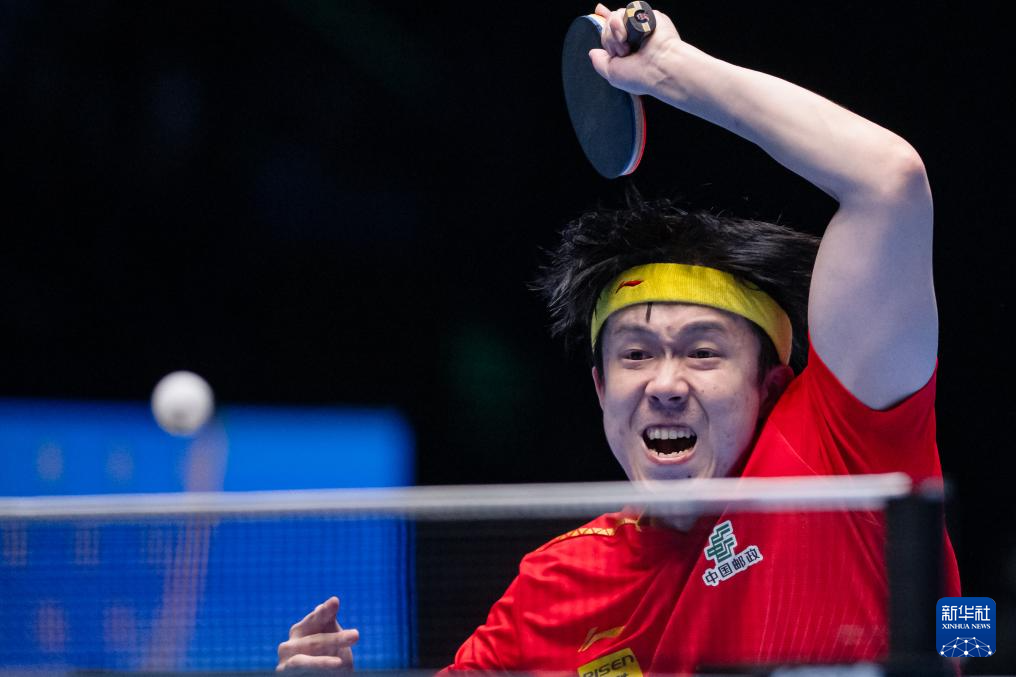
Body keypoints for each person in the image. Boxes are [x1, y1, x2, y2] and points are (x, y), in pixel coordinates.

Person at [276, 3, 960, 672]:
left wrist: (674, 72)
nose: (665, 384)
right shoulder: (556, 588)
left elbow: (888, 181)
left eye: (703, 351)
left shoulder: (838, 452)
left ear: (772, 385)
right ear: (602, 390)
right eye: (636, 354)